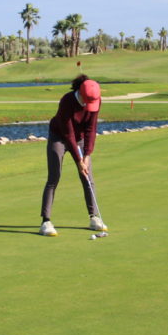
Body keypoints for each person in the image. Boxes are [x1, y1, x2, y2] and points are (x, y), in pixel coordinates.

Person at [39, 74, 108, 236]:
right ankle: (46, 221)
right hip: (59, 136)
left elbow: (91, 128)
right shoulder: (67, 101)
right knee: (54, 176)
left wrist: (87, 154)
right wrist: (79, 160)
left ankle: (94, 218)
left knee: (87, 177)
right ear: (80, 93)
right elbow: (68, 133)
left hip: (80, 138)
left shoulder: (96, 100)